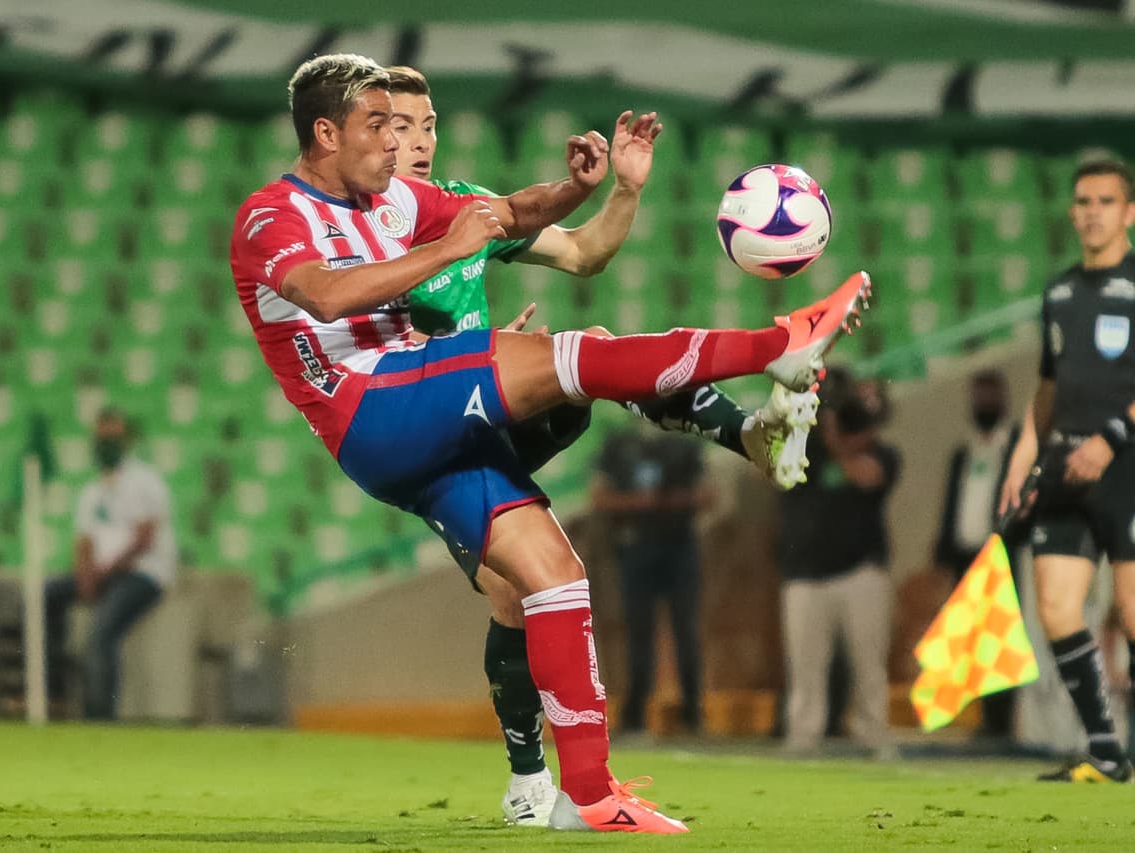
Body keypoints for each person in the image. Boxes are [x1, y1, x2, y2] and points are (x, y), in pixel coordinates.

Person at [229, 53, 870, 834]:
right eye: (380, 128)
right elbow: (326, 293)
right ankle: (779, 345)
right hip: (373, 407)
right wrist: (449, 249)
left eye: (413, 130)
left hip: (426, 417)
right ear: (326, 133)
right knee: (579, 354)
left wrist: (579, 189)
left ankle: (591, 796)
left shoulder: (397, 198)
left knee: (553, 577)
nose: (400, 146)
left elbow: (505, 214)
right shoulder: (273, 214)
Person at [384, 65, 819, 825]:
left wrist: (624, 189)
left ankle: (747, 432)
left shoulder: (465, 210)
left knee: (596, 355)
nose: (417, 142)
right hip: (424, 426)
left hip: (490, 406)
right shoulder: (357, 227)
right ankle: (529, 778)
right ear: (361, 131)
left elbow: (586, 256)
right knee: (512, 591)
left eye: (426, 126)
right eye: (398, 127)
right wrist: (460, 352)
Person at [999, 158, 1135, 783]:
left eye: (1105, 201)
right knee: (1056, 607)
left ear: (1129, 212)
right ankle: (1106, 749)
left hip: (1127, 467)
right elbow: (1047, 389)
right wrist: (1022, 459)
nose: (1092, 211)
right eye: (1083, 201)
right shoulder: (1058, 293)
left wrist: (1113, 437)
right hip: (1065, 468)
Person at [775, 369, 899, 759]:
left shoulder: (882, 453)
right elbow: (771, 469)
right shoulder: (800, 448)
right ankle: (803, 737)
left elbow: (867, 476)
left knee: (869, 666)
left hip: (860, 573)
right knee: (805, 669)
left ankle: (873, 735)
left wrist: (834, 434)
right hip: (805, 574)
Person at [44, 408, 176, 720]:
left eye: (112, 437)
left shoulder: (145, 482)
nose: (105, 443)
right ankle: (54, 692)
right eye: (101, 437)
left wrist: (104, 572)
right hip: (104, 574)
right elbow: (83, 541)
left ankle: (100, 715)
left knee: (103, 629)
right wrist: (85, 575)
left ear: (126, 440)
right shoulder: (92, 491)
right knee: (45, 596)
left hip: (143, 573)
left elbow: (145, 538)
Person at [592, 424, 711, 736]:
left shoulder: (683, 443)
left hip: (678, 546)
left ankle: (692, 713)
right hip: (636, 548)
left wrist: (661, 503)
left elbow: (706, 495)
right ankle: (634, 714)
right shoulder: (620, 443)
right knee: (638, 633)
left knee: (685, 630)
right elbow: (600, 498)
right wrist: (640, 504)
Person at [933, 368, 1021, 741]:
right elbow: (952, 505)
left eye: (989, 396)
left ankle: (1005, 725)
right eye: (977, 396)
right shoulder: (963, 452)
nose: (982, 404)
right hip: (964, 557)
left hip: (1001, 555)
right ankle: (987, 719)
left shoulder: (1014, 448)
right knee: (974, 641)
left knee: (1001, 640)